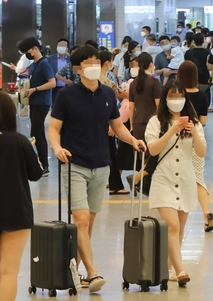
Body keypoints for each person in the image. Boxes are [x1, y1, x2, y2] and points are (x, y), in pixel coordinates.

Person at [48, 44, 146, 292]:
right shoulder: (66, 95)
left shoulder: (106, 94)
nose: (95, 67)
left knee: (88, 222)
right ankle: (92, 273)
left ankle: (75, 271)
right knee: (80, 219)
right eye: (89, 63)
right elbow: (54, 128)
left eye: (97, 62)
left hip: (101, 164)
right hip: (74, 164)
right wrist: (57, 147)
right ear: (78, 68)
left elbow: (117, 125)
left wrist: (133, 139)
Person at [0, 91, 42, 301]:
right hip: (16, 212)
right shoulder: (20, 142)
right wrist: (32, 150)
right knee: (9, 271)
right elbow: (36, 174)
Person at [146, 80, 206, 286]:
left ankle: (169, 268)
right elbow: (153, 149)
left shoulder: (195, 123)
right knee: (171, 225)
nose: (176, 100)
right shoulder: (155, 122)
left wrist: (194, 131)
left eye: (180, 96)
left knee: (179, 228)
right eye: (171, 96)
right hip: (164, 179)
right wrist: (172, 130)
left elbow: (201, 152)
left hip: (186, 179)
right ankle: (181, 271)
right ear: (164, 99)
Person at [176, 61, 213, 232]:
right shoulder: (202, 95)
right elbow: (204, 121)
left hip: (177, 135)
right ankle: (207, 213)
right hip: (197, 134)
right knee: (198, 178)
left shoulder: (176, 95)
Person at [17, 37, 55, 176]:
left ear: (35, 48)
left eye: (28, 51)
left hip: (42, 102)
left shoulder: (44, 63)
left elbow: (52, 83)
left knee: (36, 133)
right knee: (37, 133)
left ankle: (44, 166)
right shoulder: (33, 65)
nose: (27, 54)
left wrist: (35, 89)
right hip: (34, 102)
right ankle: (43, 164)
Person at [98, 51, 129, 195]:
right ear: (107, 62)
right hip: (107, 120)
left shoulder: (104, 78)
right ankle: (115, 185)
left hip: (105, 119)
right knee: (111, 153)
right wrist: (111, 123)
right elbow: (108, 104)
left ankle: (113, 183)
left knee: (111, 152)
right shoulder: (104, 79)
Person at [129, 52, 161, 143]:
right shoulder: (155, 82)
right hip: (152, 121)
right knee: (151, 151)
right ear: (151, 64)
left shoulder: (133, 83)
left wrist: (132, 124)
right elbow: (158, 104)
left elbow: (131, 106)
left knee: (139, 151)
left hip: (137, 121)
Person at [49, 38, 71, 104]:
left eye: (63, 46)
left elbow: (76, 72)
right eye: (59, 46)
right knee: (55, 107)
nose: (61, 48)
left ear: (67, 48)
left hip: (68, 88)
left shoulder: (71, 59)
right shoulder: (49, 59)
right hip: (54, 88)